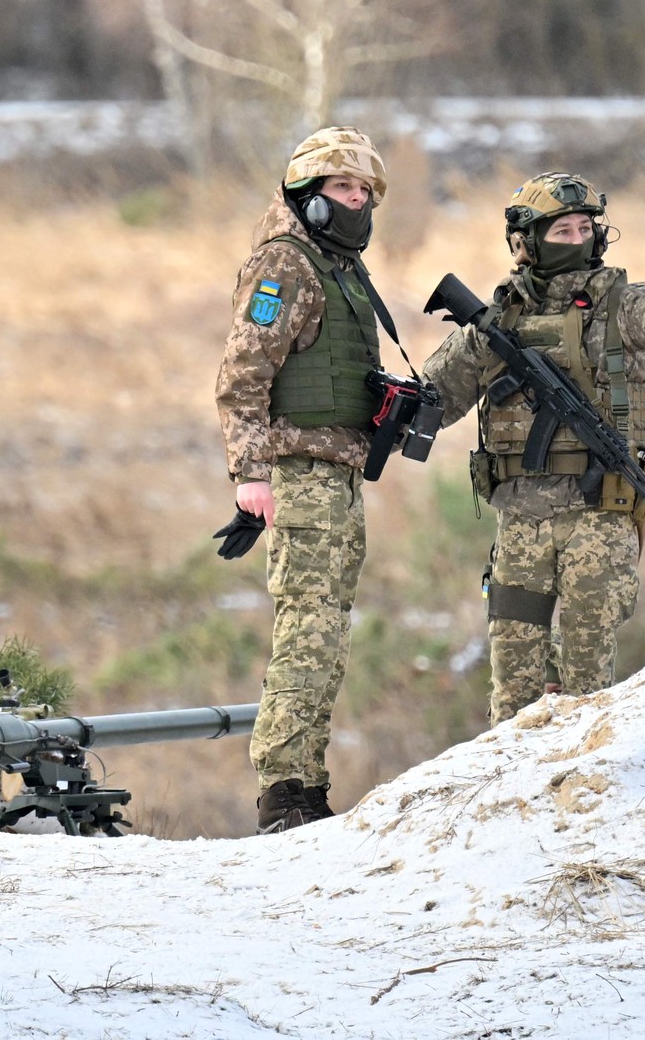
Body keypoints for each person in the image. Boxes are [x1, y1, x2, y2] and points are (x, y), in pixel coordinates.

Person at [422, 172, 645, 723]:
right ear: (526, 242)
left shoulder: (618, 303)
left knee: (586, 685)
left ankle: (583, 796)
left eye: (584, 229)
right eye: (561, 230)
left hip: (599, 514)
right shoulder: (498, 319)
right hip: (521, 519)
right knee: (514, 689)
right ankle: (511, 795)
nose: (576, 239)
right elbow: (438, 393)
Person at [215, 126, 393, 834]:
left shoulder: (336, 267)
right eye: (342, 188)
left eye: (363, 191)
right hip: (299, 473)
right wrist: (250, 476)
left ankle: (306, 783)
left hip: (337, 473)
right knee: (308, 628)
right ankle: (286, 789)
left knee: (327, 629)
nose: (355, 200)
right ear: (309, 197)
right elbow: (242, 375)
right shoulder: (284, 266)